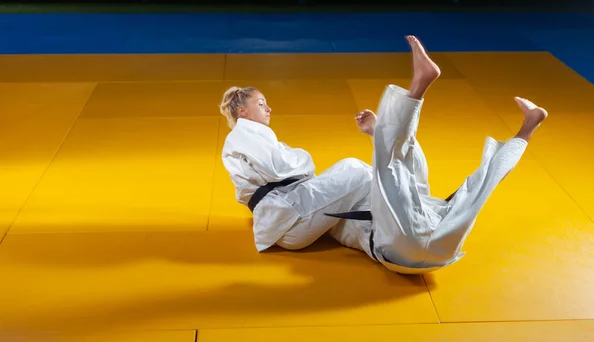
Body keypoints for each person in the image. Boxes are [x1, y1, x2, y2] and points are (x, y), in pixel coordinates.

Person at [327, 35, 549, 274]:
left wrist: (376, 134)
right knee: (400, 171)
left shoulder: (340, 213)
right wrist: (376, 134)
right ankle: (418, 88)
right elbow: (401, 181)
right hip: (412, 243)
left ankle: (530, 125)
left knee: (475, 184)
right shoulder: (346, 210)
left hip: (440, 246)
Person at [219, 85, 373, 254]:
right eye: (261, 104)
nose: (269, 109)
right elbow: (277, 168)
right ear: (243, 111)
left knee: (351, 165)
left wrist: (297, 160)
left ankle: (376, 236)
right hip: (290, 219)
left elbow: (286, 167)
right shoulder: (242, 134)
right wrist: (303, 157)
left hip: (292, 211)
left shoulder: (255, 137)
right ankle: (395, 205)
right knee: (363, 175)